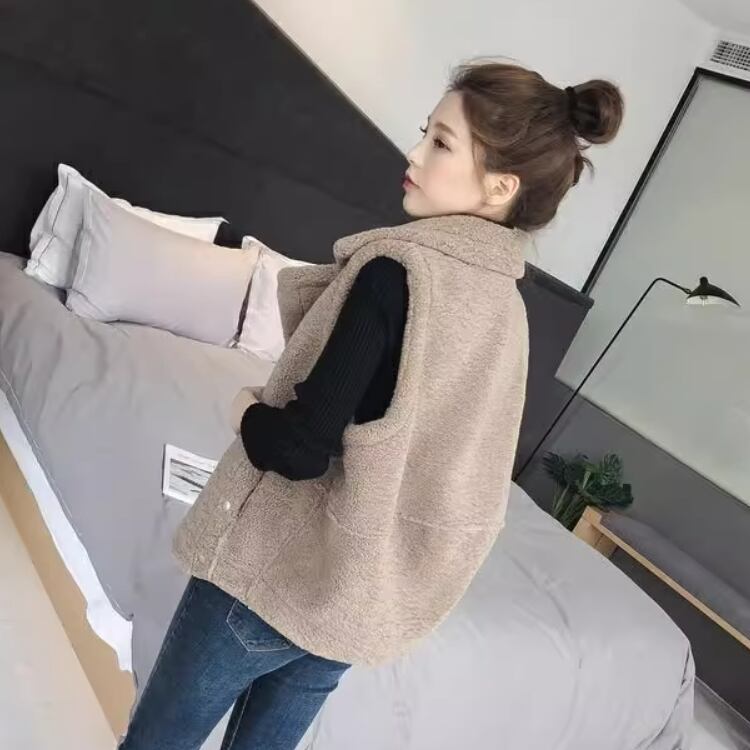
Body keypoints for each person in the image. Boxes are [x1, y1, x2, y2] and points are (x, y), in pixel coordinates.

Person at [119, 61, 623, 749]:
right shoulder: (506, 307)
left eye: (441, 142)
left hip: (264, 579)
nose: (413, 154)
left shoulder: (394, 273)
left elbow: (297, 450)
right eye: (425, 133)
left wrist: (244, 409)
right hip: (355, 600)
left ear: (501, 186)